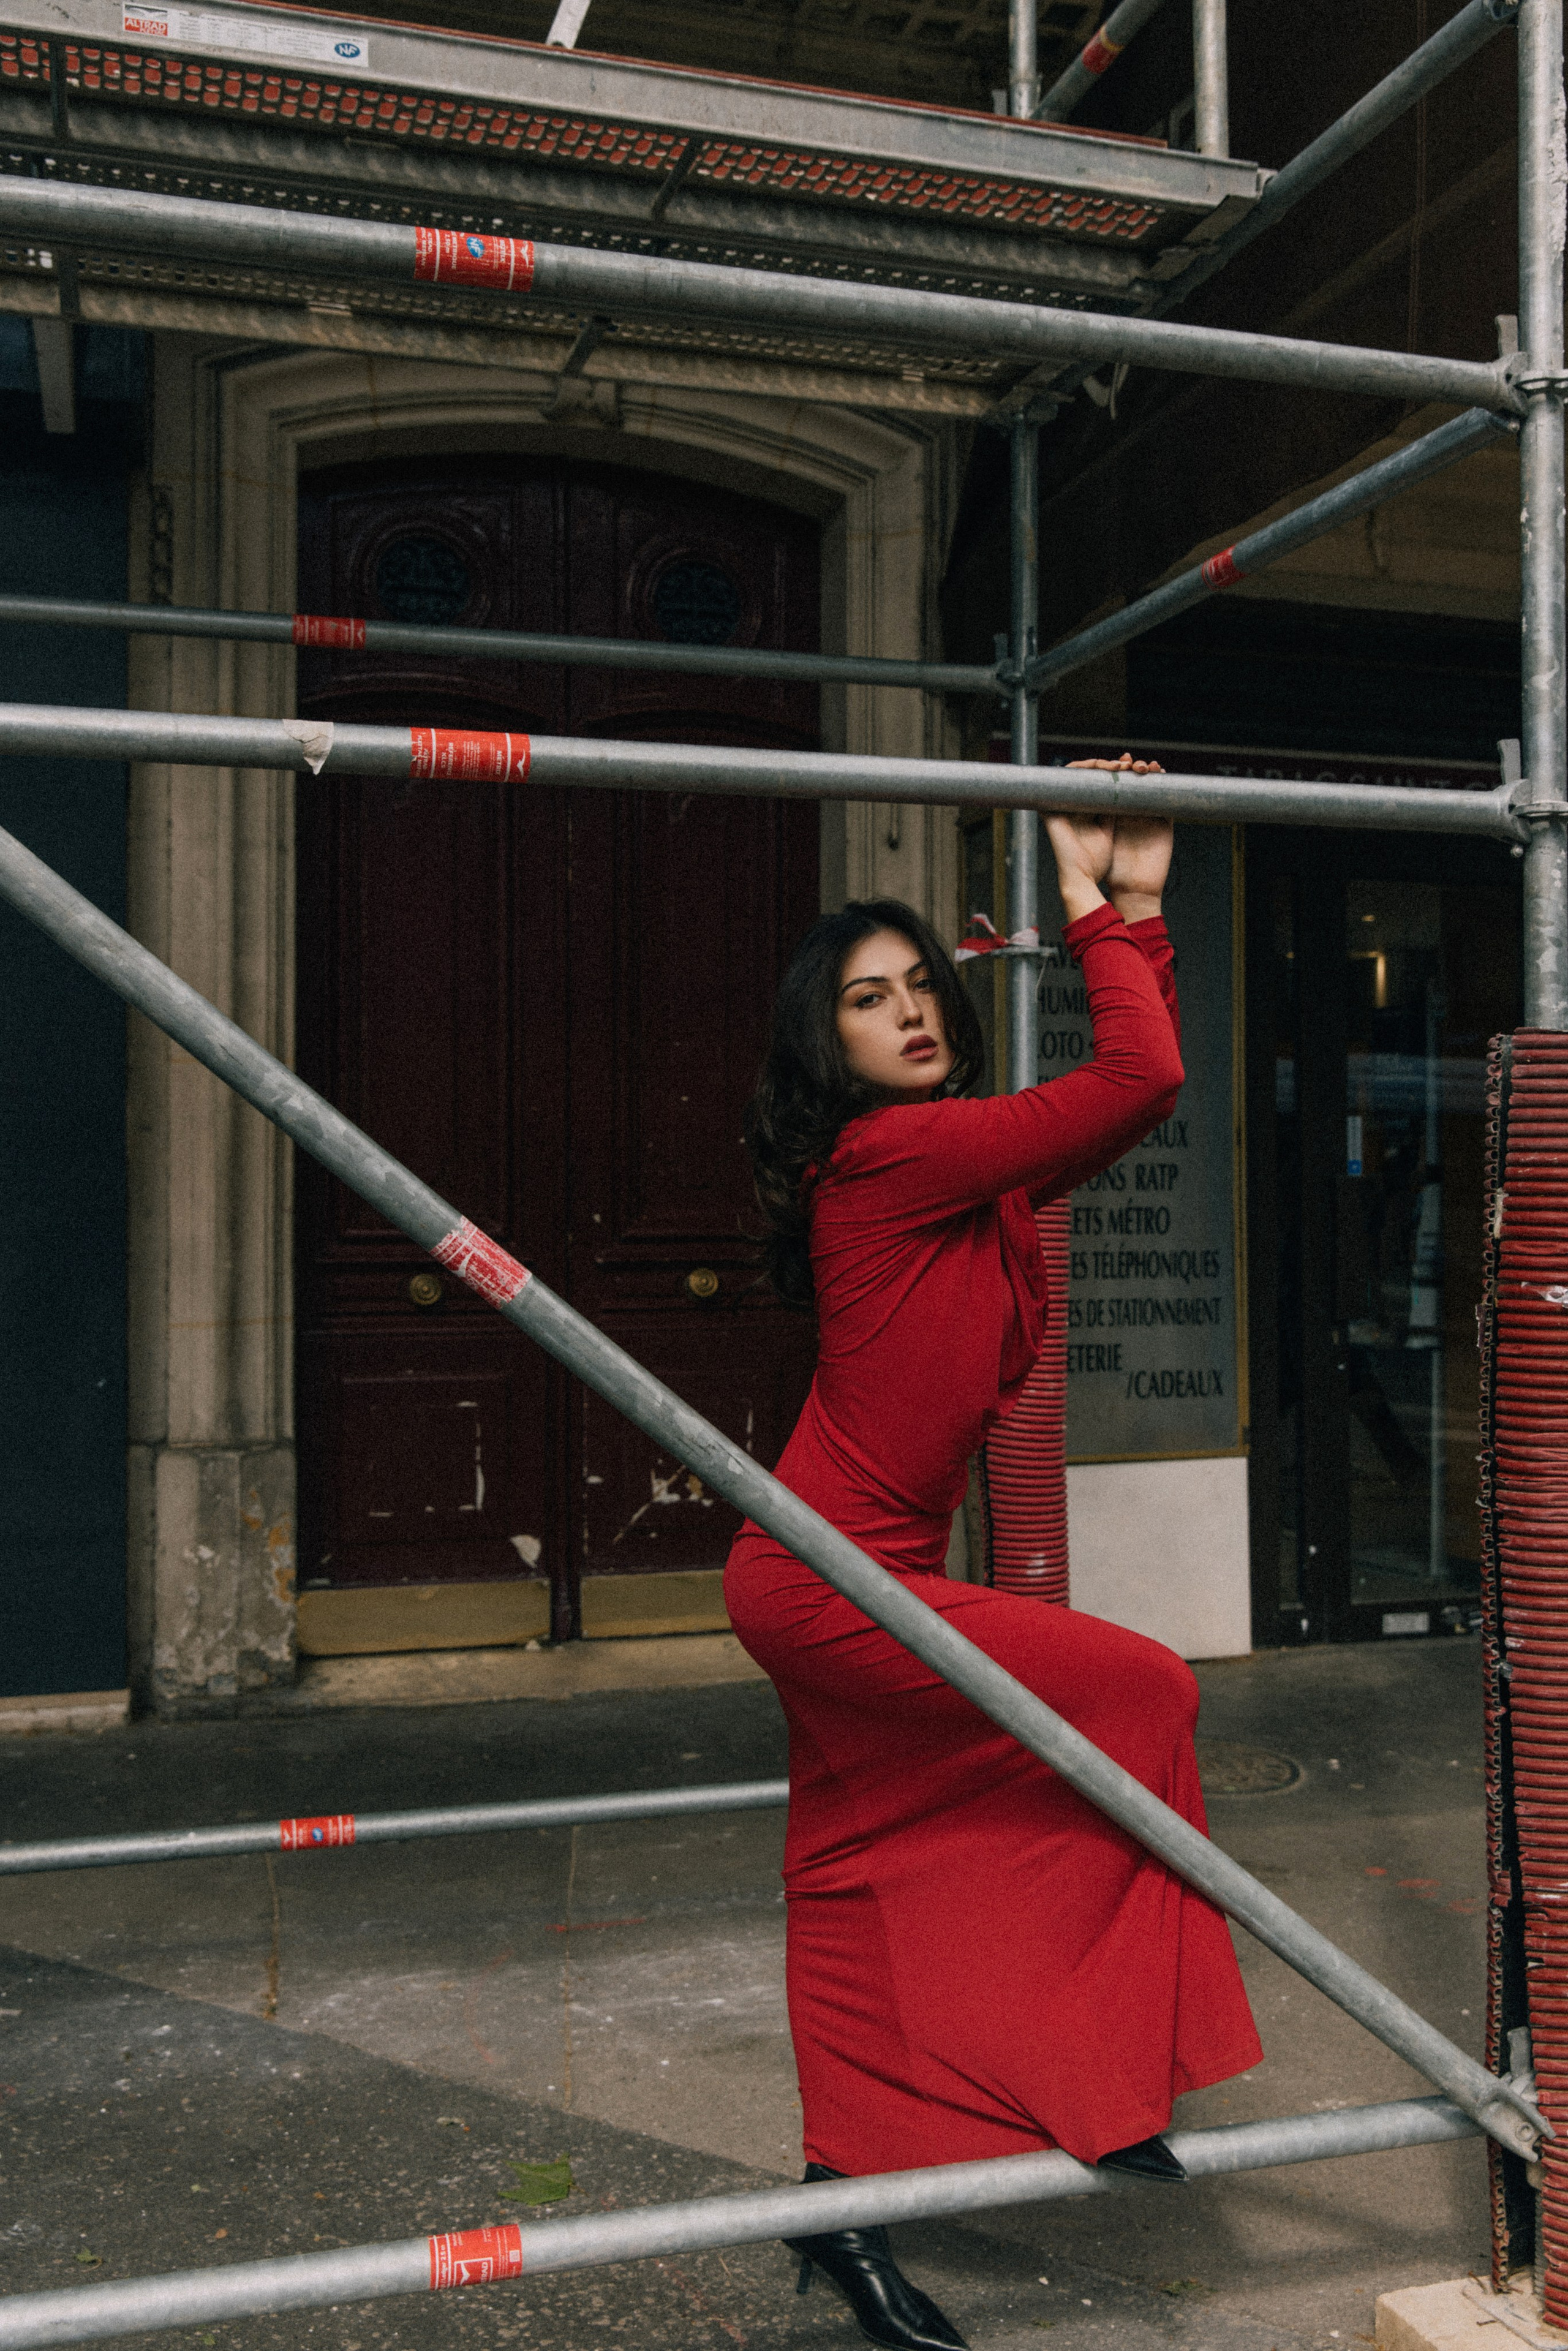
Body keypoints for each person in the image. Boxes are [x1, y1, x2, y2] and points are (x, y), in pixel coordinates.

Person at [725, 782, 1263, 2351]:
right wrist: (1081, 897)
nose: (904, 1014)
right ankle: (1090, 2079)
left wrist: (1144, 902)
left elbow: (1132, 1094)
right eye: (864, 1000)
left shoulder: (976, 1174)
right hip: (829, 1578)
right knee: (1137, 1689)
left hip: (851, 1568)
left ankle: (846, 2214)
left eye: (916, 989)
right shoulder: (892, 1155)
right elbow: (1140, 1069)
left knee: (848, 1875)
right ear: (827, 1045)